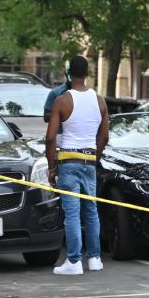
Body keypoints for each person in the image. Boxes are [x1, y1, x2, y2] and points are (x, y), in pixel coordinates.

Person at [45, 55, 109, 276]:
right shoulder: (99, 100)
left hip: (68, 161)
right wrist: (95, 157)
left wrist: (52, 167)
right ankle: (94, 258)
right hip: (89, 161)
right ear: (87, 74)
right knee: (91, 210)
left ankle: (73, 261)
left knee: (72, 213)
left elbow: (51, 138)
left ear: (69, 74)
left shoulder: (62, 100)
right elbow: (104, 136)